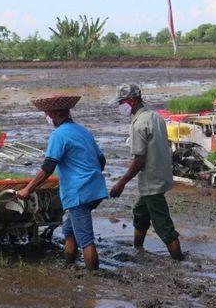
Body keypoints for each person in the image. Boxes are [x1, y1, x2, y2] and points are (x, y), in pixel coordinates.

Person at [17, 95, 108, 270]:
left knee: (86, 239)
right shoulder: (83, 131)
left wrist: (27, 189)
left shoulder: (58, 135)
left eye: (47, 114)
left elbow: (48, 166)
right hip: (95, 190)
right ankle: (69, 265)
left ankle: (94, 280)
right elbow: (101, 160)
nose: (47, 118)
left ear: (54, 114)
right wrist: (89, 175)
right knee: (69, 230)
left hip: (79, 193)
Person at [108, 84, 183, 261]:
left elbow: (139, 160)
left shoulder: (139, 124)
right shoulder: (155, 116)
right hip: (161, 174)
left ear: (132, 101)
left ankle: (179, 260)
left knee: (163, 224)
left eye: (122, 102)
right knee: (140, 213)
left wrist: (121, 183)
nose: (120, 106)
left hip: (151, 180)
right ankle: (138, 247)